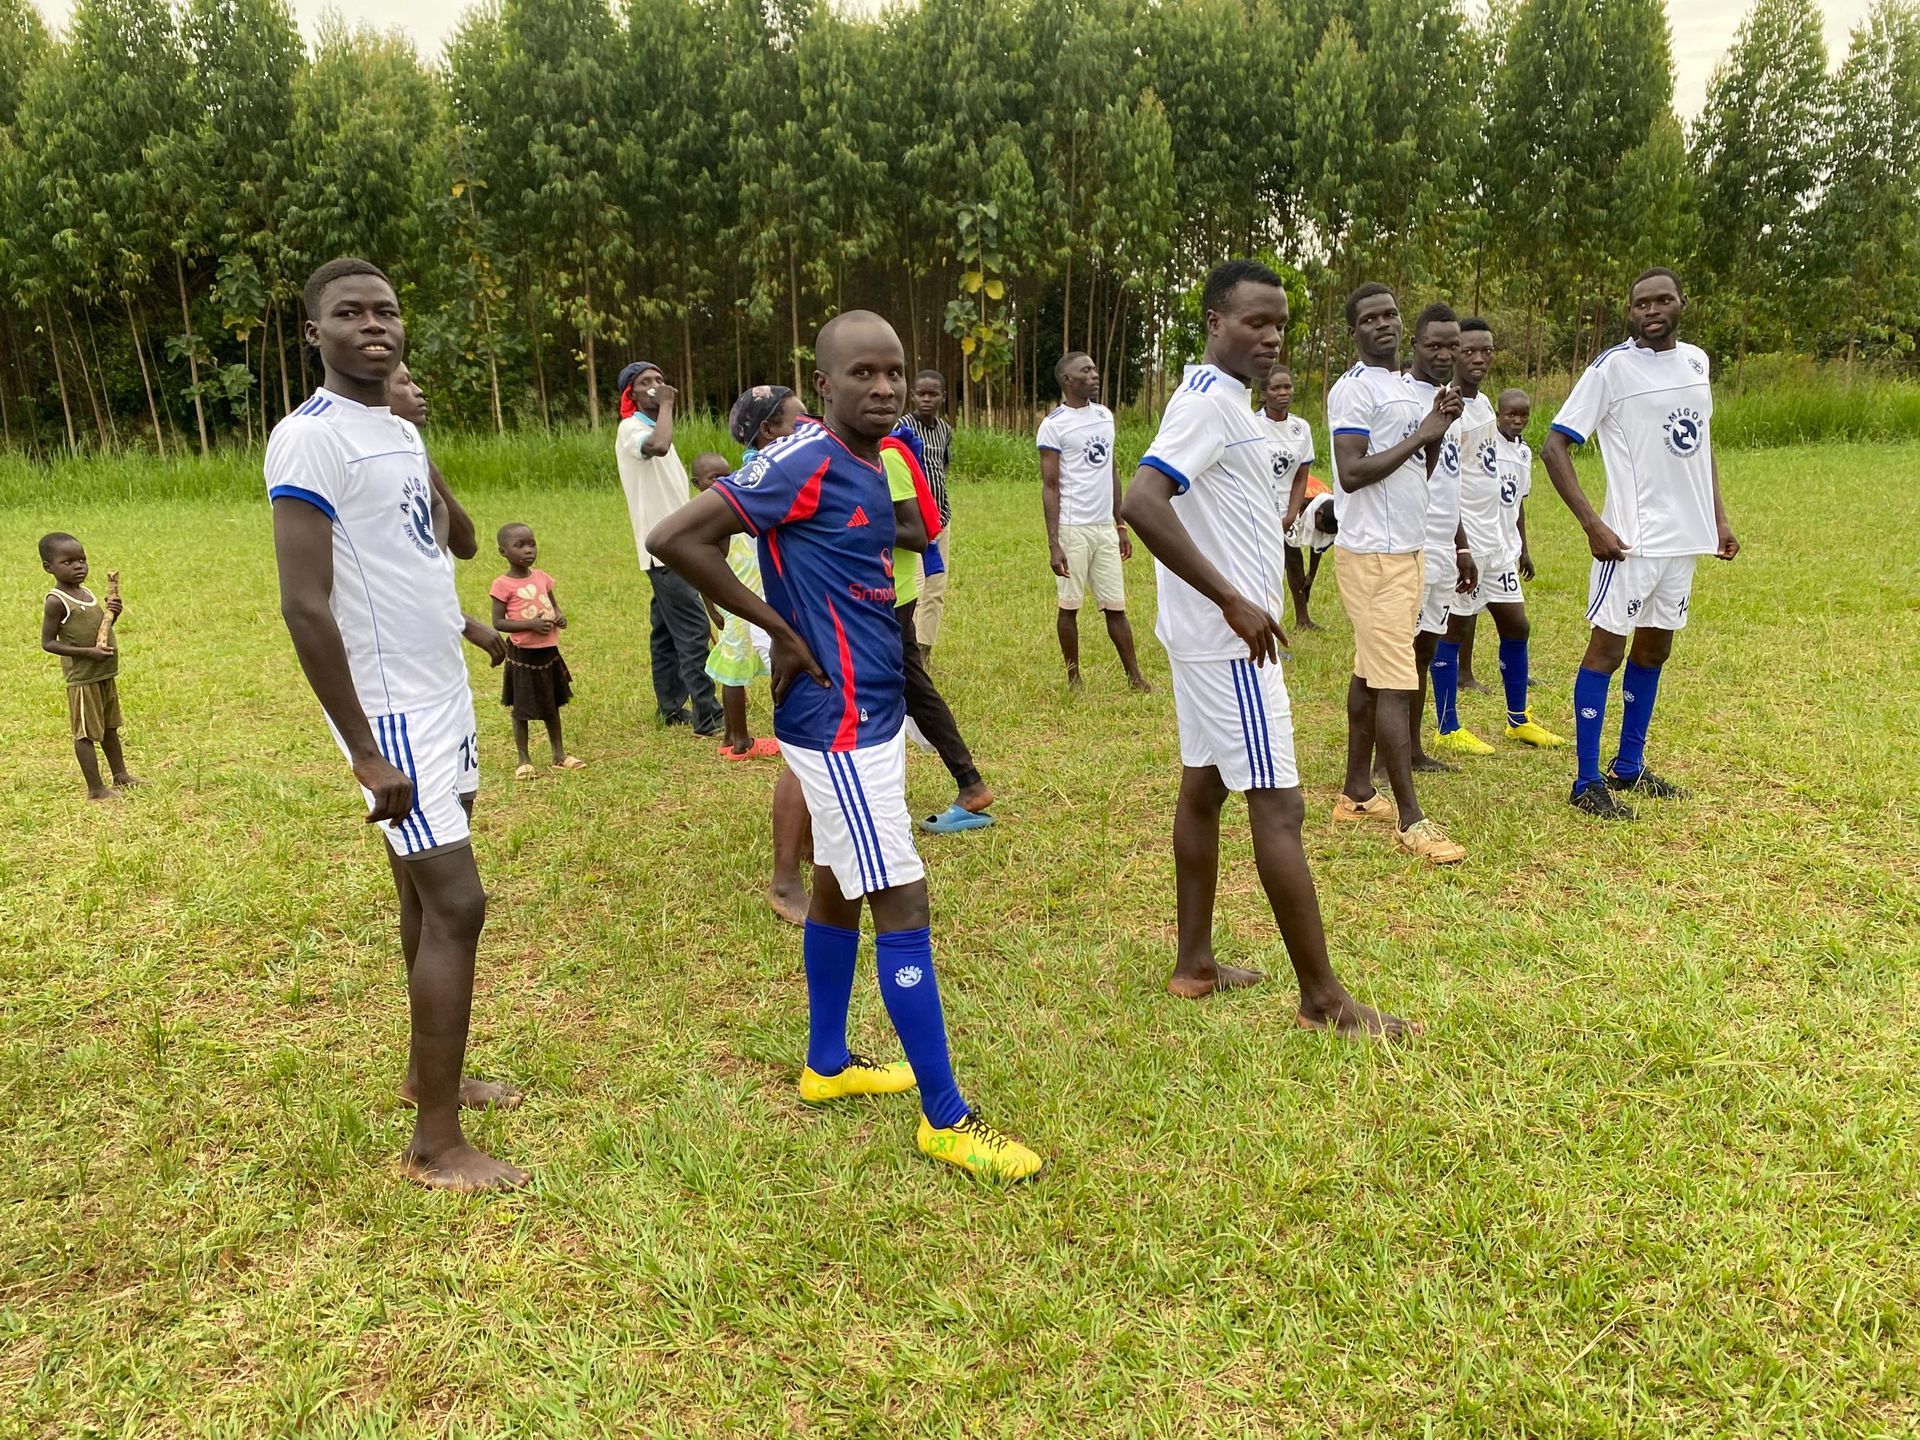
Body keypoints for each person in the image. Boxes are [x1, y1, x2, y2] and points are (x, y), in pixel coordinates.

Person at [649, 310, 1042, 1182]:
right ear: (821, 385)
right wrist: (779, 632)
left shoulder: (873, 465)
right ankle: (946, 1119)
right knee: (902, 898)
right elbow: (674, 537)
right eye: (862, 374)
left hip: (865, 713)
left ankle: (827, 1064)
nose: (885, 389)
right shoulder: (806, 458)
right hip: (841, 723)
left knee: (838, 883)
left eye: (895, 373)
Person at [267, 257, 526, 1192]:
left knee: (422, 897)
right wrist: (367, 748)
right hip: (391, 710)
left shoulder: (392, 426)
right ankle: (436, 1140)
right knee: (460, 902)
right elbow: (306, 605)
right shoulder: (310, 441)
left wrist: (469, 627)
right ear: (314, 332)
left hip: (441, 686)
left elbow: (444, 545)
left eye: (386, 311)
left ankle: (431, 1073)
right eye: (349, 313)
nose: (373, 325)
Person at [1118, 259, 1417, 1034]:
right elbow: (1142, 502)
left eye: (1280, 324)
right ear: (1215, 322)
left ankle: (1194, 963)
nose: (1272, 336)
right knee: (1279, 807)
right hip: (1229, 645)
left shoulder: (1226, 405)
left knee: (1204, 787)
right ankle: (1325, 1002)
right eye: (1256, 321)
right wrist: (1232, 600)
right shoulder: (1211, 406)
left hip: (1205, 639)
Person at [1543, 267, 1738, 820]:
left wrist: (1718, 518)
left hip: (1684, 543)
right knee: (1608, 652)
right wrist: (1592, 525)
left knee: (1655, 650)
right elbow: (1554, 448)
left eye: (1663, 301)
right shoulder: (1610, 369)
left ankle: (1628, 767)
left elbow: (1699, 447)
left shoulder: (1697, 362)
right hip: (1630, 542)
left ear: (1682, 303)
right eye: (1640, 304)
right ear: (1629, 312)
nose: (1652, 311)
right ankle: (1585, 782)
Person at [1326, 285, 1466, 864]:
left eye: (1390, 315)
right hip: (1372, 556)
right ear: (1354, 330)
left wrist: (1435, 425)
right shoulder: (1353, 389)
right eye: (1370, 318)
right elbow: (1352, 472)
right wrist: (1424, 433)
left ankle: (1357, 793)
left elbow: (1419, 463)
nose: (1382, 324)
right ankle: (1412, 820)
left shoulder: (1406, 389)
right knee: (1395, 679)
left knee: (1370, 673)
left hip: (1405, 550)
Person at [1449, 382, 1564, 747]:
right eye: (1510, 414)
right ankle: (1447, 728)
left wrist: (1524, 548)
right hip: (1472, 549)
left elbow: (1518, 504)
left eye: (1523, 415)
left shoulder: (1523, 453)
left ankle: (1518, 720)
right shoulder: (1480, 441)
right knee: (1455, 630)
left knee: (1517, 626)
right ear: (1496, 414)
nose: (1516, 420)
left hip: (1503, 551)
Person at [615, 359, 722, 736]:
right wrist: (667, 404)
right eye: (645, 382)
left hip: (670, 546)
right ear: (631, 394)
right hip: (665, 551)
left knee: (664, 632)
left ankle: (669, 707)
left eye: (660, 379)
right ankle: (707, 714)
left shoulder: (653, 425)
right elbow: (658, 447)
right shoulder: (633, 428)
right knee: (693, 630)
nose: (656, 385)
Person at [1038, 351, 1150, 692]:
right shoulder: (1053, 425)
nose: (1094, 374)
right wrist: (1055, 543)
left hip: (1104, 527)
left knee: (1115, 607)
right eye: (1085, 371)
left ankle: (1135, 678)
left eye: (1094, 368)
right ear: (1067, 380)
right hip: (1073, 529)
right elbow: (1050, 486)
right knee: (1070, 607)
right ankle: (1074, 679)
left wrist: (1120, 524)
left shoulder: (1104, 416)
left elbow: (1112, 470)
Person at [388, 362, 510, 672]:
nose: (418, 391)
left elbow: (465, 543)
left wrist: (421, 459)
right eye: (405, 383)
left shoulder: (409, 449)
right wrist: (463, 622)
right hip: (396, 647)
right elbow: (395, 578)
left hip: (430, 637)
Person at [1399, 303, 1480, 768]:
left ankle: (1412, 749)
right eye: (1435, 344)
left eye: (1454, 345)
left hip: (1444, 549)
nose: (1446, 353)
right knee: (1394, 655)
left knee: (1426, 649)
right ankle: (1379, 757)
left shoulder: (1456, 405)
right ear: (1415, 345)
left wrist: (1461, 544)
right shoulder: (1402, 397)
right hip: (1408, 545)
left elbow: (1451, 483)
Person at [1429, 317, 1505, 755]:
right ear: (1454, 352)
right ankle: (1447, 722)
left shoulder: (1485, 404)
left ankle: (1466, 679)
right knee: (1448, 628)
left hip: (1490, 533)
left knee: (1488, 621)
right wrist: (1461, 542)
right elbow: (1445, 476)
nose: (1478, 358)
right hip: (1461, 535)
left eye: (1486, 351)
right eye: (1469, 350)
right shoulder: (1449, 405)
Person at [38, 533, 136, 800]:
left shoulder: (88, 594)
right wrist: (88, 654)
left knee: (109, 728)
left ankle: (121, 776)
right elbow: (48, 642)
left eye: (82, 560)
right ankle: (95, 789)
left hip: (103, 672)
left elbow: (98, 632)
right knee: (85, 733)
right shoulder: (56, 601)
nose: (78, 566)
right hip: (82, 678)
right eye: (67, 562)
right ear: (49, 567)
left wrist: (113, 613)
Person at [489, 523, 583, 778]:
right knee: (521, 708)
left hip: (548, 651)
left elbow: (554, 607)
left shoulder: (541, 577)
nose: (528, 550)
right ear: (503, 552)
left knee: (551, 704)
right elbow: (498, 622)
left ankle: (559, 754)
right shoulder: (502, 584)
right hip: (523, 655)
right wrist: (529, 625)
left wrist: (559, 617)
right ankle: (523, 759)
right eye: (519, 546)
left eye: (531, 544)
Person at [1263, 363, 1333, 631]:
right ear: (1264, 393)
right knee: (1265, 565)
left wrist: (1291, 514)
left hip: (1290, 507)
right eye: (1275, 388)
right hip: (1259, 507)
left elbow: (1302, 475)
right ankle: (1266, 619)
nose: (1283, 392)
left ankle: (1302, 617)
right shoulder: (1252, 425)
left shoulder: (1301, 428)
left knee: (1294, 559)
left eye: (1287, 387)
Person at [896, 370, 954, 662]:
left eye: (933, 394)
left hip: (940, 520)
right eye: (921, 394)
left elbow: (941, 468)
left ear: (943, 396)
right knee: (913, 589)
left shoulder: (945, 429)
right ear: (912, 395)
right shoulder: (901, 428)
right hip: (912, 525)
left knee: (936, 588)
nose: (927, 399)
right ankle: (908, 654)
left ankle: (925, 652)